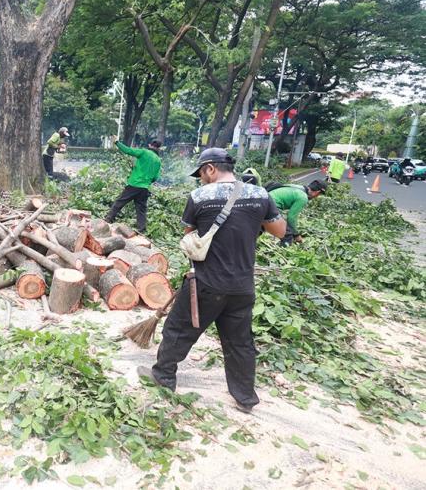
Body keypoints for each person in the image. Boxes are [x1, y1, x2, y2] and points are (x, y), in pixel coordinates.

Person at [138, 148, 286, 413]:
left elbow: (189, 235)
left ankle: (164, 377)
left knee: (178, 329)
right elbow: (280, 231)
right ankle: (245, 398)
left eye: (201, 174)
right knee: (239, 342)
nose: (201, 179)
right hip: (242, 286)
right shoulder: (260, 195)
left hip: (206, 283)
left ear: (210, 169)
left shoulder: (199, 196)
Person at [104, 140, 162, 232]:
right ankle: (141, 229)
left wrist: (117, 142)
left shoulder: (144, 152)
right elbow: (155, 177)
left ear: (150, 145)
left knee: (120, 202)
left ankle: (108, 219)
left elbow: (128, 150)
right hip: (144, 188)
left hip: (134, 184)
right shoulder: (158, 160)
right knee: (141, 210)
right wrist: (147, 181)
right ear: (159, 148)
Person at [269, 180, 326, 246]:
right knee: (287, 235)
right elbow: (291, 218)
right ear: (317, 192)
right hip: (271, 206)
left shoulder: (298, 188)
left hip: (264, 201)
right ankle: (284, 250)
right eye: (319, 195)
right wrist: (296, 235)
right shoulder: (303, 197)